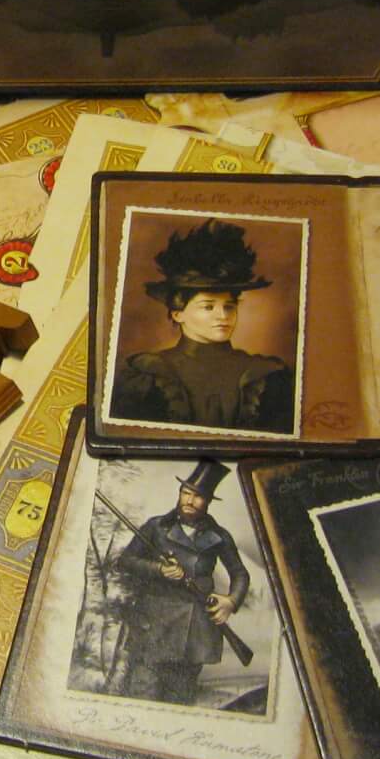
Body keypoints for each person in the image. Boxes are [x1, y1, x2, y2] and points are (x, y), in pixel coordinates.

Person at [112, 218, 294, 432]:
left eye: (229, 306)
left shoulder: (265, 374)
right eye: (208, 307)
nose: (223, 316)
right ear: (178, 314)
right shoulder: (149, 373)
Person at [96, 461, 250, 705]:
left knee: (180, 700)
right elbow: (125, 561)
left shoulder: (220, 536)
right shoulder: (156, 526)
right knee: (142, 696)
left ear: (208, 501)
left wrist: (231, 601)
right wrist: (159, 570)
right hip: (154, 627)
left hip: (195, 629)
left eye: (198, 496)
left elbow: (240, 574)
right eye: (185, 492)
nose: (189, 500)